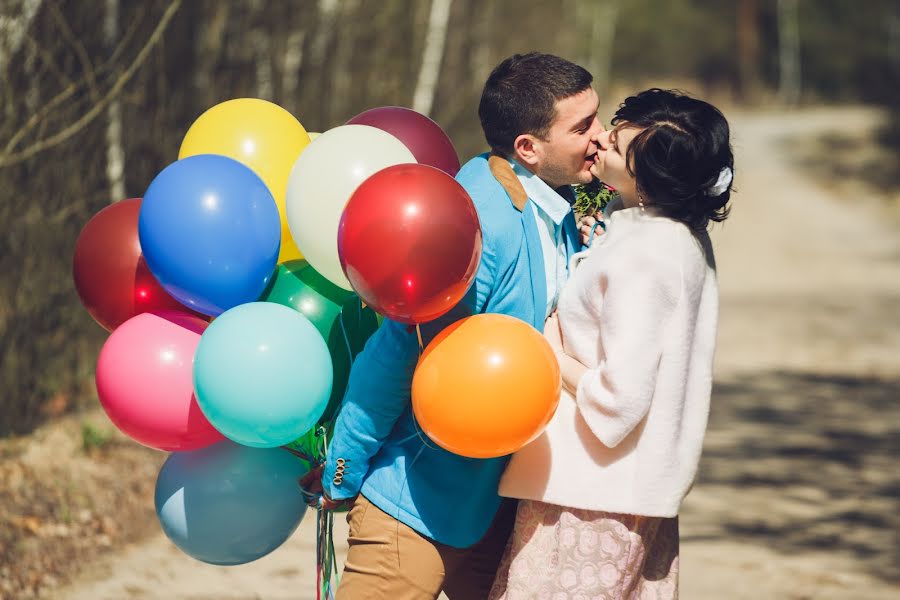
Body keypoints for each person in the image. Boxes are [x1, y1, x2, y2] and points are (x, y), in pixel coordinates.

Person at [299, 52, 604, 599]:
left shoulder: (553, 202)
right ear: (528, 148)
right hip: (413, 507)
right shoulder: (478, 222)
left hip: (494, 507)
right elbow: (396, 351)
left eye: (597, 118)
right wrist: (342, 470)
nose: (600, 137)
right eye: (582, 127)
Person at [489, 88, 734, 600]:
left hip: (591, 501)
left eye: (616, 146)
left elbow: (620, 401)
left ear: (647, 180)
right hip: (618, 493)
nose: (599, 139)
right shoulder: (667, 235)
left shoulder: (647, 257)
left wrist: (544, 352)